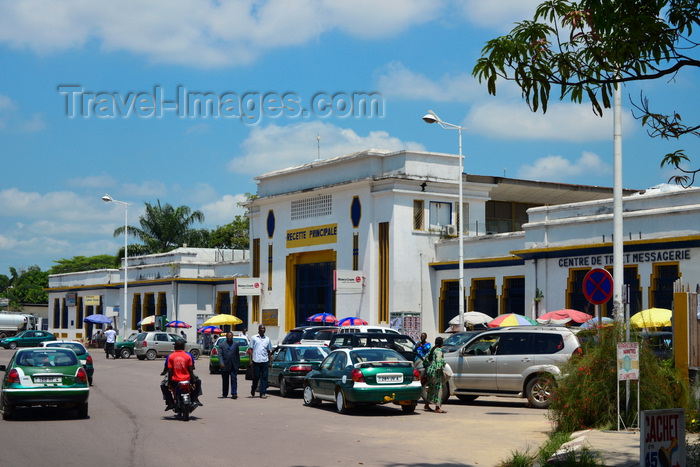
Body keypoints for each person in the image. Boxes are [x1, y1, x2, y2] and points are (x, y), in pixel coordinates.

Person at [424, 336, 447, 414]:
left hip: (430, 371)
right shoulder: (439, 350)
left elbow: (426, 359)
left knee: (431, 388)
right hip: (435, 372)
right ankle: (437, 407)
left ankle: (427, 405)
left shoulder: (432, 349)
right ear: (441, 343)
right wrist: (442, 365)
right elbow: (439, 360)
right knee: (438, 389)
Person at [248, 324, 272, 398]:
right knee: (256, 377)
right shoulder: (254, 338)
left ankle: (263, 393)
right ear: (258, 329)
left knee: (264, 377)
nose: (263, 330)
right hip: (256, 361)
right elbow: (251, 350)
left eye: (264, 328)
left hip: (265, 361)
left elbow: (269, 351)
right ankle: (253, 388)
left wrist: (269, 361)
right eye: (262, 328)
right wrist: (250, 360)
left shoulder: (267, 339)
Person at [218, 332, 241, 399]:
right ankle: (225, 393)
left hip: (233, 364)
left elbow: (237, 354)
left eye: (231, 336)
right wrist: (221, 363)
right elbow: (220, 355)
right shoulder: (222, 345)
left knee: (234, 379)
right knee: (225, 380)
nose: (230, 337)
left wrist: (238, 364)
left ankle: (234, 393)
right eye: (228, 336)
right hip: (225, 365)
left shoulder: (236, 344)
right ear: (226, 337)